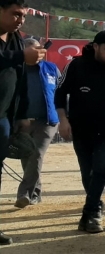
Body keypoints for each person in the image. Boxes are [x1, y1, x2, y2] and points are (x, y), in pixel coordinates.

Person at [55, 31, 105, 233]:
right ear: (96, 46)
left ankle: (91, 213)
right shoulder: (76, 65)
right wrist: (63, 120)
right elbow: (59, 94)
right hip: (81, 129)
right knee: (87, 174)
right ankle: (95, 206)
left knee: (100, 170)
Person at [0, 0, 47, 245]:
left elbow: (20, 82)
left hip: (4, 117)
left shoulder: (17, 39)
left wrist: (21, 115)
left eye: (23, 16)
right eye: (15, 14)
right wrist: (22, 57)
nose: (20, 20)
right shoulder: (18, 48)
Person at [14, 38, 60, 208]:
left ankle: (23, 194)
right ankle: (36, 193)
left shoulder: (51, 69)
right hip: (23, 122)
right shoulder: (17, 70)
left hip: (47, 121)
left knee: (36, 154)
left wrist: (65, 118)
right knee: (27, 158)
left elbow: (61, 93)